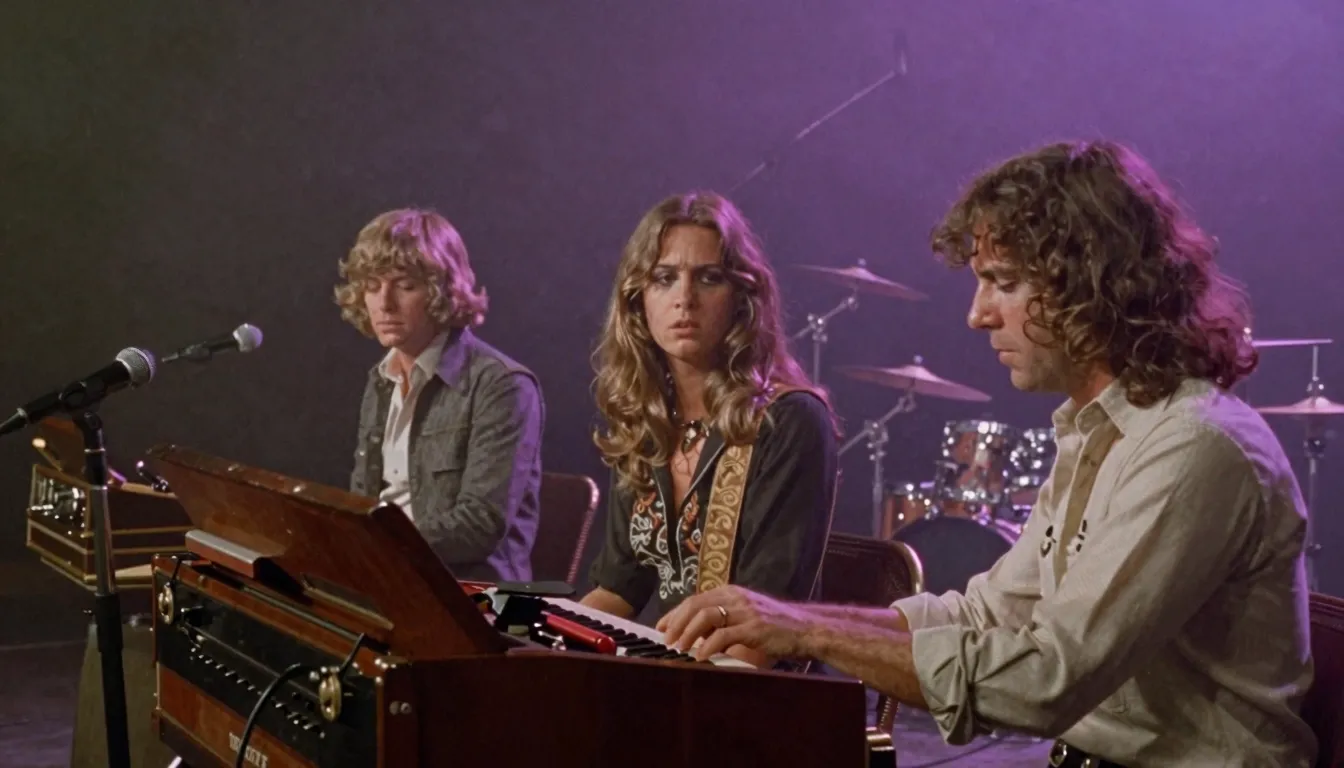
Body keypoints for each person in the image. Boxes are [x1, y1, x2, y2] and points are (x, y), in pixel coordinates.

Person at [659, 141, 1317, 766]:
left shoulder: (1193, 446)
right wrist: (787, 617)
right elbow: (985, 615)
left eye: (1002, 281)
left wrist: (806, 633)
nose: (978, 315)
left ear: (1091, 283)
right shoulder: (1099, 432)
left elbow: (1045, 679)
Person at [580, 191, 840, 668]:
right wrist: (545, 648)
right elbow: (619, 587)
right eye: (664, 278)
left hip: (756, 690)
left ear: (742, 299)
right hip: (671, 676)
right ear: (638, 301)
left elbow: (763, 631)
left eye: (709, 278)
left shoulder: (790, 421)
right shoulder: (647, 423)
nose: (685, 298)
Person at [336, 208, 545, 582]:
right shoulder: (379, 380)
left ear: (441, 291)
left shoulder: (501, 384)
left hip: (469, 594)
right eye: (372, 285)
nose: (384, 303)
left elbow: (479, 525)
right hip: (390, 576)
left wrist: (377, 543)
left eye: (404, 285)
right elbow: (363, 500)